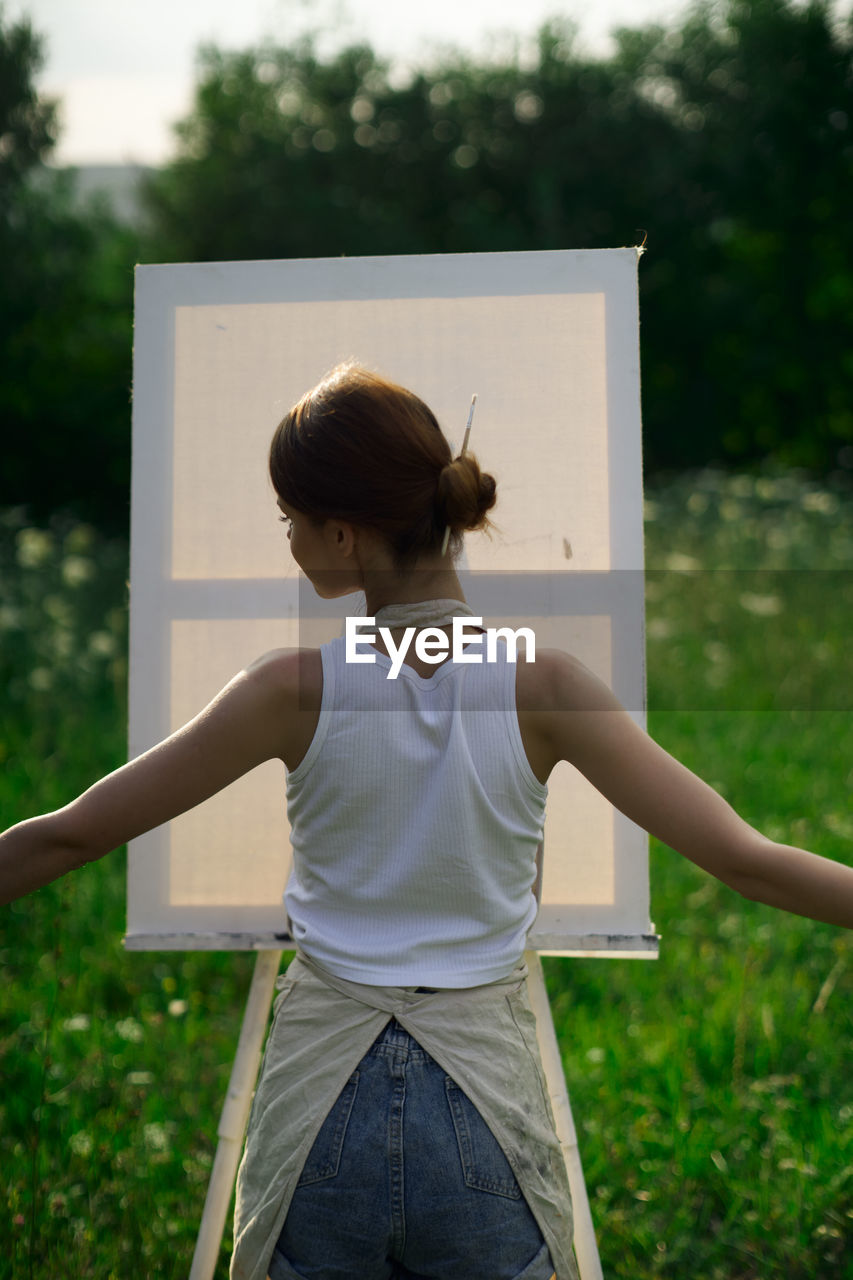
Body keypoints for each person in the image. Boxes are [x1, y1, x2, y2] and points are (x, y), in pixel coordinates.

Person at [1, 363, 851, 1280]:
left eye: (289, 518)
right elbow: (746, 860)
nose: (286, 537)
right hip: (482, 1108)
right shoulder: (548, 686)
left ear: (341, 533)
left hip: (320, 1104)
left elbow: (73, 832)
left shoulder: (287, 691)